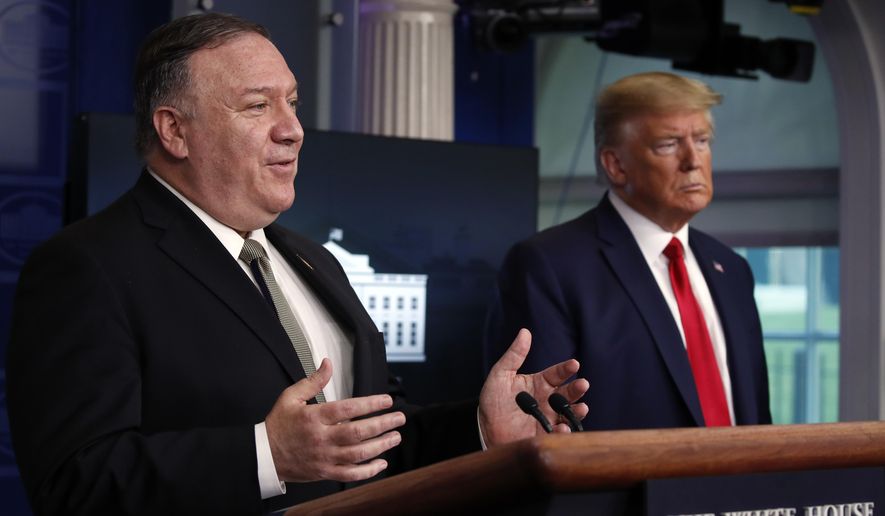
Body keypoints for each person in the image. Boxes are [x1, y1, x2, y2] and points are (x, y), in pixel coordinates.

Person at [6, 12, 588, 515]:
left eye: (292, 103)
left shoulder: (312, 260)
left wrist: (481, 428)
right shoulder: (87, 266)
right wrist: (268, 455)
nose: (292, 130)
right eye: (257, 106)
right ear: (174, 130)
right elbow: (73, 485)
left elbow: (366, 442)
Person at [484, 71, 771, 431]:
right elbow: (542, 429)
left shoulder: (732, 270)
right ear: (616, 165)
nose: (693, 160)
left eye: (702, 140)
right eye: (669, 144)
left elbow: (757, 416)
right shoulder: (548, 265)